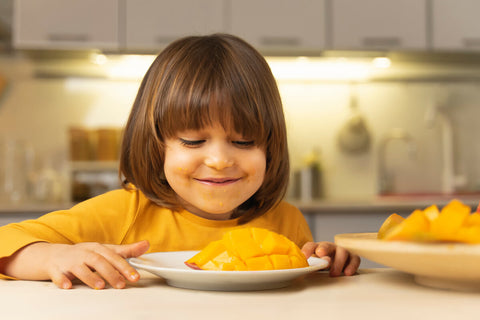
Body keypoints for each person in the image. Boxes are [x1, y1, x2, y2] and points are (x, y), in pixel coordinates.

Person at [0, 34, 360, 290]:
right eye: (193, 140)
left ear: (270, 146)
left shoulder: (287, 222)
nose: (219, 160)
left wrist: (325, 261)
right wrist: (52, 258)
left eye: (244, 141)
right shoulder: (123, 213)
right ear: (156, 145)